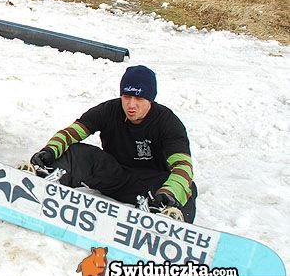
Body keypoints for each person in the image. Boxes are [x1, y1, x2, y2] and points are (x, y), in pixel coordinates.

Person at [30, 65, 197, 222]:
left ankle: (169, 218)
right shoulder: (109, 110)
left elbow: (183, 166)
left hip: (150, 188)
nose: (131, 104)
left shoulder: (168, 122)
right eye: (127, 97)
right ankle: (41, 179)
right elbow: (71, 133)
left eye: (139, 98)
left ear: (150, 99)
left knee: (187, 187)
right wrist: (50, 150)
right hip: (113, 176)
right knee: (75, 151)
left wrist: (168, 193)